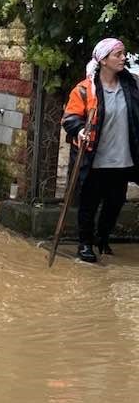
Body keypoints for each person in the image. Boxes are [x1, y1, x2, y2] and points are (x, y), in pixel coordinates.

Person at [62, 37, 139, 263]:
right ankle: (85, 244)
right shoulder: (85, 90)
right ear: (103, 60)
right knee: (89, 203)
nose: (124, 58)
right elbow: (70, 118)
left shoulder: (133, 86)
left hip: (123, 158)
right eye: (118, 55)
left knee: (115, 203)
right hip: (94, 158)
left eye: (124, 54)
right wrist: (79, 130)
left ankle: (103, 239)